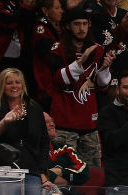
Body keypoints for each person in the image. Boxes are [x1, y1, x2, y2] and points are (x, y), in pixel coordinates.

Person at [48, 9, 113, 169]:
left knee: (94, 171)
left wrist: (104, 69)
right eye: (77, 24)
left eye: (85, 24)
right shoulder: (57, 50)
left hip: (89, 125)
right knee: (64, 171)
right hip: (64, 124)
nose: (81, 28)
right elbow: (59, 80)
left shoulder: (97, 50)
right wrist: (80, 62)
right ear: (68, 26)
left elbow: (102, 86)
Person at [0, 68, 49, 195]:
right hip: (3, 173)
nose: (14, 86)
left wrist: (42, 171)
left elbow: (44, 142)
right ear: (2, 85)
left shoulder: (34, 108)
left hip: (31, 172)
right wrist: (6, 121)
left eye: (18, 82)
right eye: (9, 83)